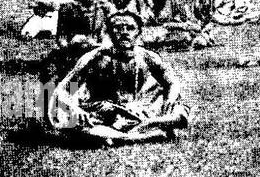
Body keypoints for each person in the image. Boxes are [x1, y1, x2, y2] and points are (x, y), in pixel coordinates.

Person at [49, 11, 191, 145]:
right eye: (118, 28)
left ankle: (124, 135)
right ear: (109, 32)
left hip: (138, 110)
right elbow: (63, 90)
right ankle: (145, 133)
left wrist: (170, 99)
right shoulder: (94, 58)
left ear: (138, 32)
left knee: (179, 110)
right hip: (102, 112)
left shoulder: (147, 57)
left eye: (130, 28)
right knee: (73, 122)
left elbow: (171, 82)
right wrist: (75, 108)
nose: (124, 33)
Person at [55, 0, 114, 65]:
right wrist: (70, 44)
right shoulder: (68, 8)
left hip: (97, 52)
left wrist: (104, 43)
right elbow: (61, 37)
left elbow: (107, 33)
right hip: (73, 53)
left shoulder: (104, 9)